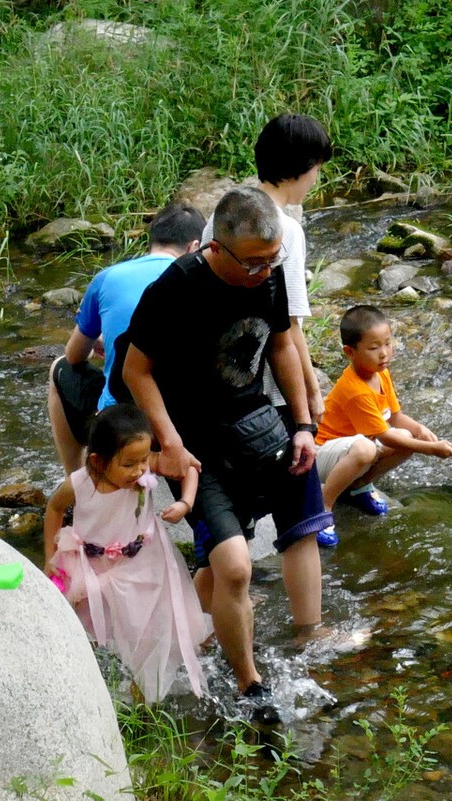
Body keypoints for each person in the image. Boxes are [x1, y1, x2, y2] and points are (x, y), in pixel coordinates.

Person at [118, 186, 330, 723]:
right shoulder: (176, 288)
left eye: (273, 259)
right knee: (235, 567)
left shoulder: (270, 274)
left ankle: (190, 638)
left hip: (257, 428)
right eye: (253, 262)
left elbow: (281, 344)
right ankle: (250, 684)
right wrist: (169, 443)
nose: (264, 271)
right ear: (217, 248)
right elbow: (134, 372)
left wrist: (304, 425)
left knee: (237, 560)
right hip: (193, 446)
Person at [43, 403, 210, 703]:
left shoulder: (144, 467)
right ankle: (89, 689)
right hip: (92, 569)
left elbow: (189, 468)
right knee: (85, 630)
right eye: (129, 464)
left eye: (144, 460)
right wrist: (49, 555)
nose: (140, 470)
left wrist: (185, 503)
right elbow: (54, 508)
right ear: (98, 461)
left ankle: (142, 698)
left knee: (144, 632)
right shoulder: (80, 484)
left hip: (142, 564)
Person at [48, 202, 204, 475]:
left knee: (58, 368)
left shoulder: (108, 277)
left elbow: (74, 356)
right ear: (194, 246)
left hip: (123, 419)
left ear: (152, 239)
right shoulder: (203, 281)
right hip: (187, 417)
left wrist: (102, 342)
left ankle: (73, 476)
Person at [200, 113, 332, 426]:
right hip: (271, 388)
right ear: (303, 167)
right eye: (317, 169)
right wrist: (312, 392)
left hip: (221, 380)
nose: (316, 179)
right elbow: (290, 323)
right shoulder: (283, 229)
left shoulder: (224, 217)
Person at [313, 305, 452, 546]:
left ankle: (357, 487)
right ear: (350, 352)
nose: (384, 354)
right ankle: (322, 507)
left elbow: (395, 417)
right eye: (374, 348)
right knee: (366, 449)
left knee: (406, 437)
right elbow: (384, 435)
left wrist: (420, 431)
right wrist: (431, 449)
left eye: (388, 344)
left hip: (353, 448)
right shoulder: (355, 390)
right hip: (323, 454)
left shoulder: (380, 374)